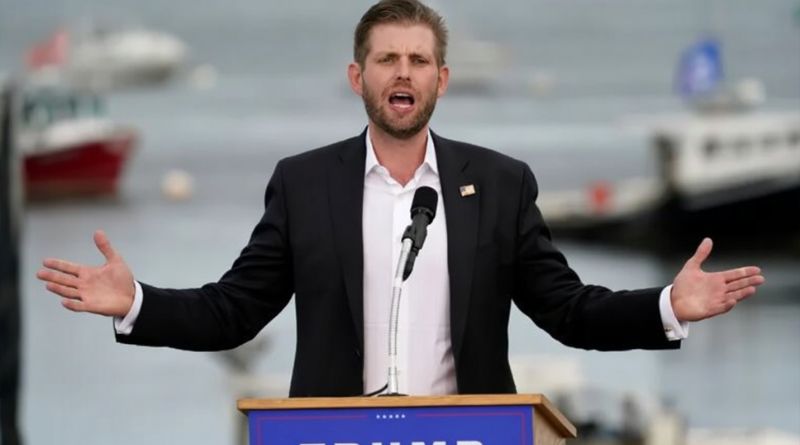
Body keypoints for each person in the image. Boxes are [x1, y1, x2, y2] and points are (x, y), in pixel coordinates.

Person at [37, 0, 764, 397]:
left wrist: (666, 305)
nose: (403, 72)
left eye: (419, 60)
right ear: (358, 77)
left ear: (441, 80)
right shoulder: (304, 183)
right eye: (387, 58)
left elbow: (569, 310)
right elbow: (233, 311)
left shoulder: (500, 184)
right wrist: (137, 302)